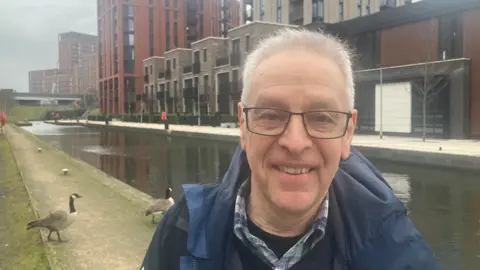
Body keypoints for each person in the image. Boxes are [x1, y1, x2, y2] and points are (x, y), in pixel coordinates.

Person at [141, 28, 440, 270]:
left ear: (347, 133)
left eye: (322, 118)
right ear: (243, 127)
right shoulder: (183, 228)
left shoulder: (398, 254)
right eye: (271, 115)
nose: (295, 143)